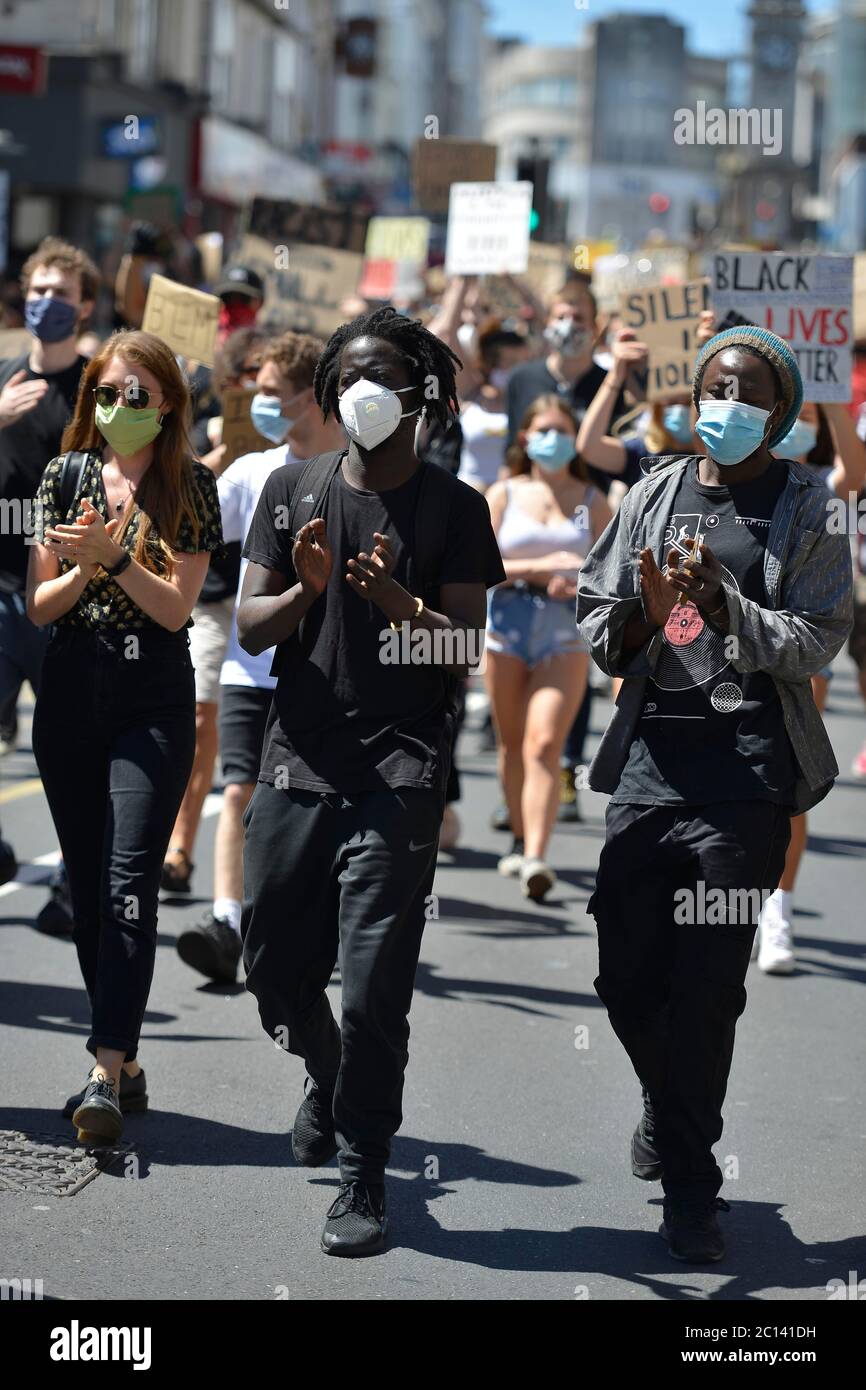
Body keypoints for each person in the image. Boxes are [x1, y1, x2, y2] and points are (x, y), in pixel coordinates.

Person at [577, 326, 852, 1263]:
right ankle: (669, 1102)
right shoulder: (655, 490)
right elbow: (596, 604)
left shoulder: (809, 506)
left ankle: (693, 1191)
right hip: (652, 773)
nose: (722, 406)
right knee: (624, 979)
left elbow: (818, 638)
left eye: (742, 393)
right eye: (710, 390)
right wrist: (637, 620)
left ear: (776, 414)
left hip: (746, 784)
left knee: (707, 992)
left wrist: (731, 602)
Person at [237, 306, 504, 1256]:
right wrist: (309, 588)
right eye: (348, 374)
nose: (364, 390)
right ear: (326, 393)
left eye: (385, 373)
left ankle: (363, 1177)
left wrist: (397, 601)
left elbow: (464, 646)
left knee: (375, 989)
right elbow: (250, 627)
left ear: (422, 393)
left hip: (401, 770)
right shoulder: (292, 486)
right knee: (271, 968)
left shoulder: (455, 510)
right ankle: (326, 1069)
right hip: (298, 760)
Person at [26, 329, 222, 1141]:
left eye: (137, 395)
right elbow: (40, 606)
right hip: (72, 683)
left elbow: (177, 608)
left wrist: (113, 557)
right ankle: (130, 1063)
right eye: (106, 394)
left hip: (153, 693)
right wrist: (82, 567)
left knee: (127, 877)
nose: (119, 408)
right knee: (86, 891)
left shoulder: (190, 485)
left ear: (169, 402)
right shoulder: (65, 474)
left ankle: (103, 1071)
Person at [175, 330, 346, 982]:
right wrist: (194, 462)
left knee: (314, 801)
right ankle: (225, 921)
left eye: (272, 393)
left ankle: (309, 924)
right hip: (252, 666)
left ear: (312, 397)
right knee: (239, 787)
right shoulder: (250, 472)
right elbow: (191, 527)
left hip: (326, 670)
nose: (260, 402)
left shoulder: (353, 473)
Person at [753, 399, 866, 972]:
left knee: (785, 784)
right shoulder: (729, 475)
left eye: (808, 418)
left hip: (797, 660)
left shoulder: (821, 491)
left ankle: (778, 910)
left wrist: (827, 396)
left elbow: (857, 474)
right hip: (718, 653)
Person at [485, 395, 610, 901]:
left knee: (544, 743)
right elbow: (480, 565)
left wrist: (576, 582)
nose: (553, 439)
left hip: (564, 631)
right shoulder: (503, 493)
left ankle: (537, 853)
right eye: (545, 430)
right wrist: (536, 570)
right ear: (525, 439)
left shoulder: (591, 499)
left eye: (563, 430)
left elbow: (611, 572)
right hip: (507, 626)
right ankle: (518, 834)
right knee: (512, 743)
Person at [160, 327, 267, 895]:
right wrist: (220, 463)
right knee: (201, 724)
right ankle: (180, 845)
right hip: (212, 603)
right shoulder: (201, 436)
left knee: (252, 759)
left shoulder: (303, 447)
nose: (257, 393)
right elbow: (176, 511)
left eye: (267, 381)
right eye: (247, 379)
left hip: (271, 613)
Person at [457, 319, 529, 493]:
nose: (515, 370)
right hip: (465, 500)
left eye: (522, 363)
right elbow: (445, 333)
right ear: (490, 363)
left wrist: (525, 293)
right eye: (509, 362)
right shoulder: (471, 395)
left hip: (511, 500)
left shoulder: (527, 402)